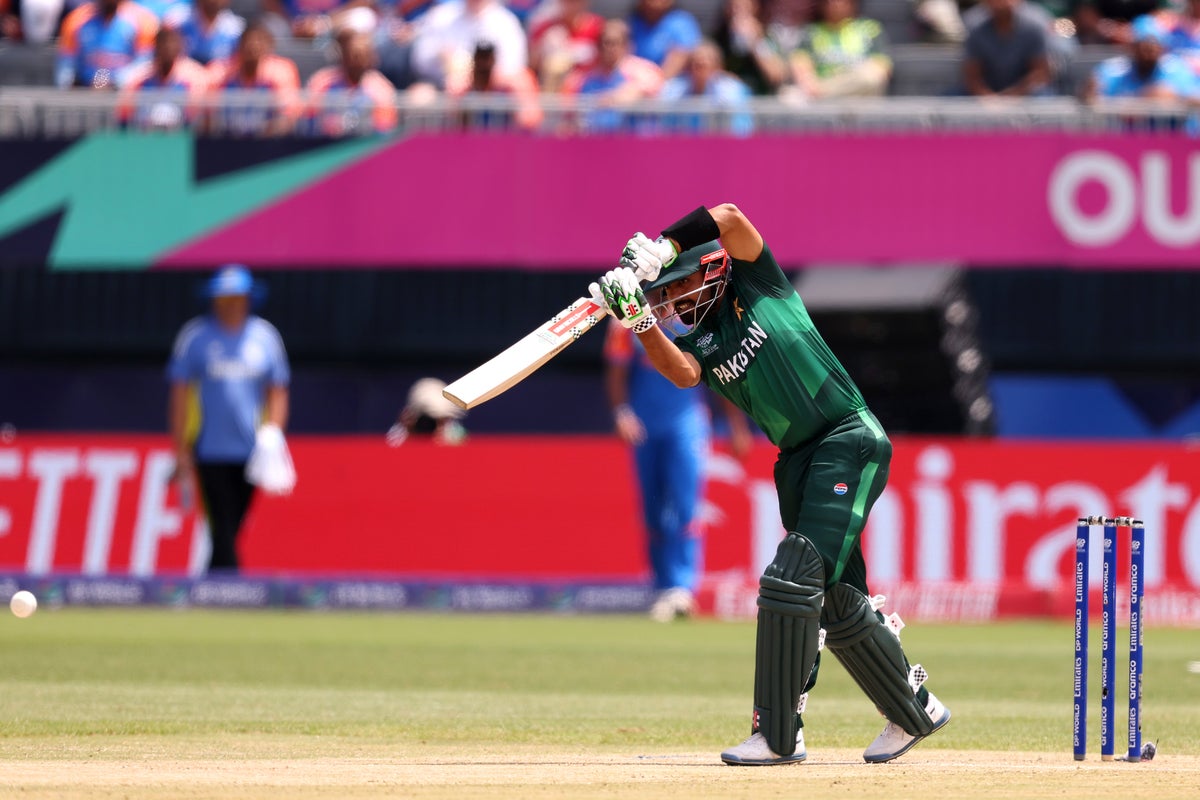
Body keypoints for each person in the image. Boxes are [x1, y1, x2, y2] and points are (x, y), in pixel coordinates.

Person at [588, 203, 950, 765]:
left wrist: (664, 245)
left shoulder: (757, 282)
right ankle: (915, 708)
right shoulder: (700, 342)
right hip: (798, 462)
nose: (668, 302)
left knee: (790, 576)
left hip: (846, 438)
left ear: (706, 271)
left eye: (673, 287)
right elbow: (682, 374)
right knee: (835, 599)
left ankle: (778, 736)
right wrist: (638, 321)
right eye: (661, 295)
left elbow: (730, 217)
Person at [605, 319, 752, 622]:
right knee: (653, 510)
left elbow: (719, 373)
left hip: (686, 423)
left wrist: (736, 426)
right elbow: (616, 371)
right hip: (645, 424)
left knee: (686, 506)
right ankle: (662, 587)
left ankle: (682, 589)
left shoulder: (693, 318)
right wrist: (621, 412)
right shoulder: (624, 321)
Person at [168, 265, 292, 574]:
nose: (230, 305)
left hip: (252, 451)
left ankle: (213, 586)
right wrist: (180, 448)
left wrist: (273, 434)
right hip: (208, 449)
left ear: (249, 299)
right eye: (223, 299)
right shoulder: (196, 337)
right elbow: (180, 395)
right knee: (221, 524)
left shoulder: (265, 337)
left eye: (236, 298)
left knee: (231, 526)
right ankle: (234, 588)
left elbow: (278, 390)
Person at [788, 0, 892, 99]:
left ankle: (819, 94)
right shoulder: (812, 31)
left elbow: (882, 68)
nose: (836, 4)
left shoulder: (869, 28)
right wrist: (809, 81)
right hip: (822, 87)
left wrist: (827, 88)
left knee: (871, 76)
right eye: (830, 1)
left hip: (860, 95)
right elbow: (799, 60)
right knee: (789, 97)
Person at [118, 25, 209, 130]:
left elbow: (196, 118)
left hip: (180, 135)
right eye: (163, 43)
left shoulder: (194, 78)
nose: (167, 48)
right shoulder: (140, 77)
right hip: (146, 135)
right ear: (156, 47)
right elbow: (125, 116)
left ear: (179, 47)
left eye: (172, 43)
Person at [56, 0, 158, 89]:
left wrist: (114, 82)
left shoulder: (143, 20)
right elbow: (66, 68)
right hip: (85, 92)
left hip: (126, 94)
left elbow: (145, 64)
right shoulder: (76, 20)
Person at [962, 0, 1053, 96]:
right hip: (987, 92)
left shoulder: (1035, 27)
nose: (1001, 4)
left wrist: (1013, 95)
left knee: (1043, 96)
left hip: (1026, 93)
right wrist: (988, 97)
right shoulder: (975, 29)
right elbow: (972, 76)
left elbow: (1041, 73)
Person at [386, 377, 467, 446]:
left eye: (444, 418)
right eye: (434, 419)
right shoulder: (400, 434)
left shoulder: (455, 433)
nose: (438, 426)